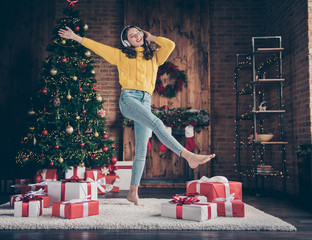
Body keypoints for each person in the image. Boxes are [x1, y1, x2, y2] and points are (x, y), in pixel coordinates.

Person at [58, 25, 215, 206]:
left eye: (137, 33)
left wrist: (152, 37)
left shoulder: (154, 57)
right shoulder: (121, 55)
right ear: (128, 42)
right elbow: (98, 47)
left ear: (142, 34)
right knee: (157, 123)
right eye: (131, 36)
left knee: (141, 151)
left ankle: (133, 192)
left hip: (145, 101)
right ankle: (187, 155)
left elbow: (170, 45)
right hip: (128, 99)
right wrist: (76, 37)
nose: (136, 37)